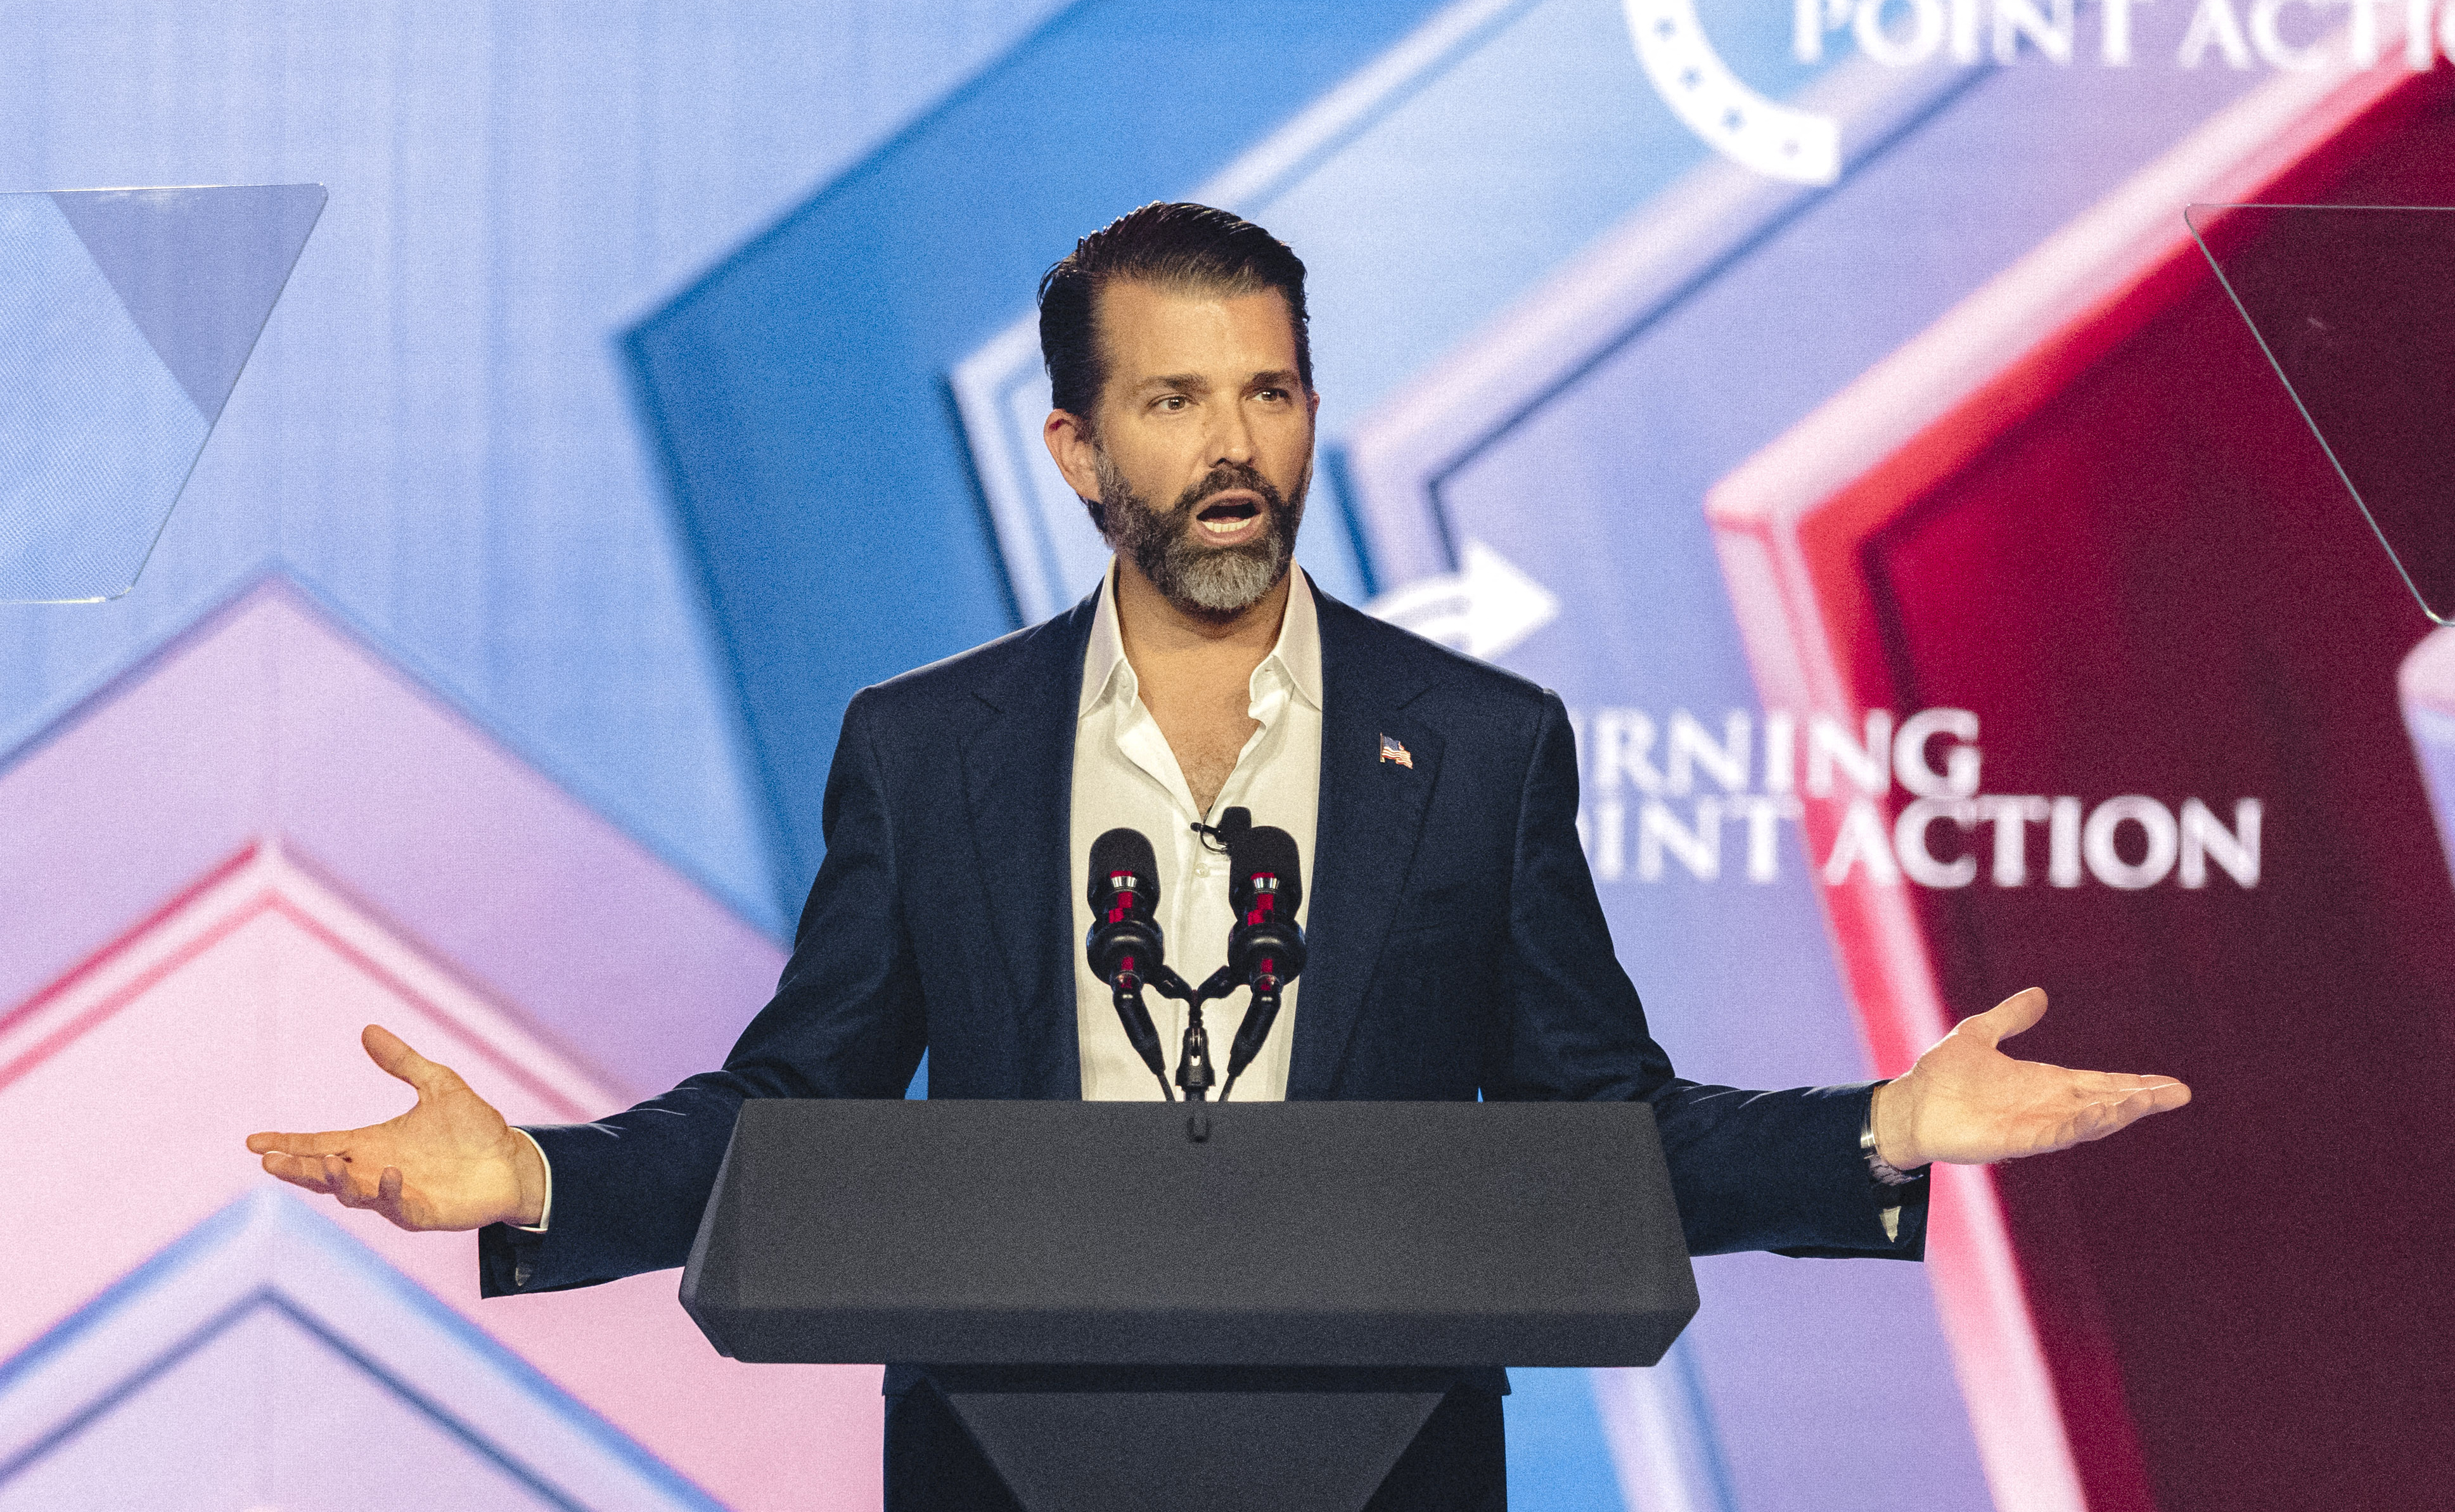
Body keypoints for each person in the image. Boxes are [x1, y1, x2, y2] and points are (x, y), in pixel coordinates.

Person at [248, 203, 2189, 1509]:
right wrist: (539, 1182)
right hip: (1005, 1455)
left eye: (1266, 389)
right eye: (1171, 400)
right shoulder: (927, 751)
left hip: (1385, 1454)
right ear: (1076, 448)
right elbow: (799, 1107)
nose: (1231, 442)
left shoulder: (1482, 744)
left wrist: (1874, 1128)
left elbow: (1604, 1130)